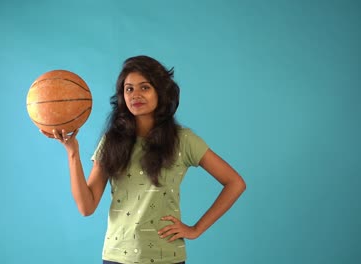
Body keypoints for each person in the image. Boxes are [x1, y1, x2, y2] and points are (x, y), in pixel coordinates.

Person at [42, 55, 246, 264]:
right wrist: (72, 153)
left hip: (166, 257)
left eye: (145, 87)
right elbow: (86, 207)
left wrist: (196, 229)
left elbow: (235, 183)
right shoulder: (111, 141)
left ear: (160, 92)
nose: (135, 95)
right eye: (129, 89)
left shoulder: (183, 140)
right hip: (116, 256)